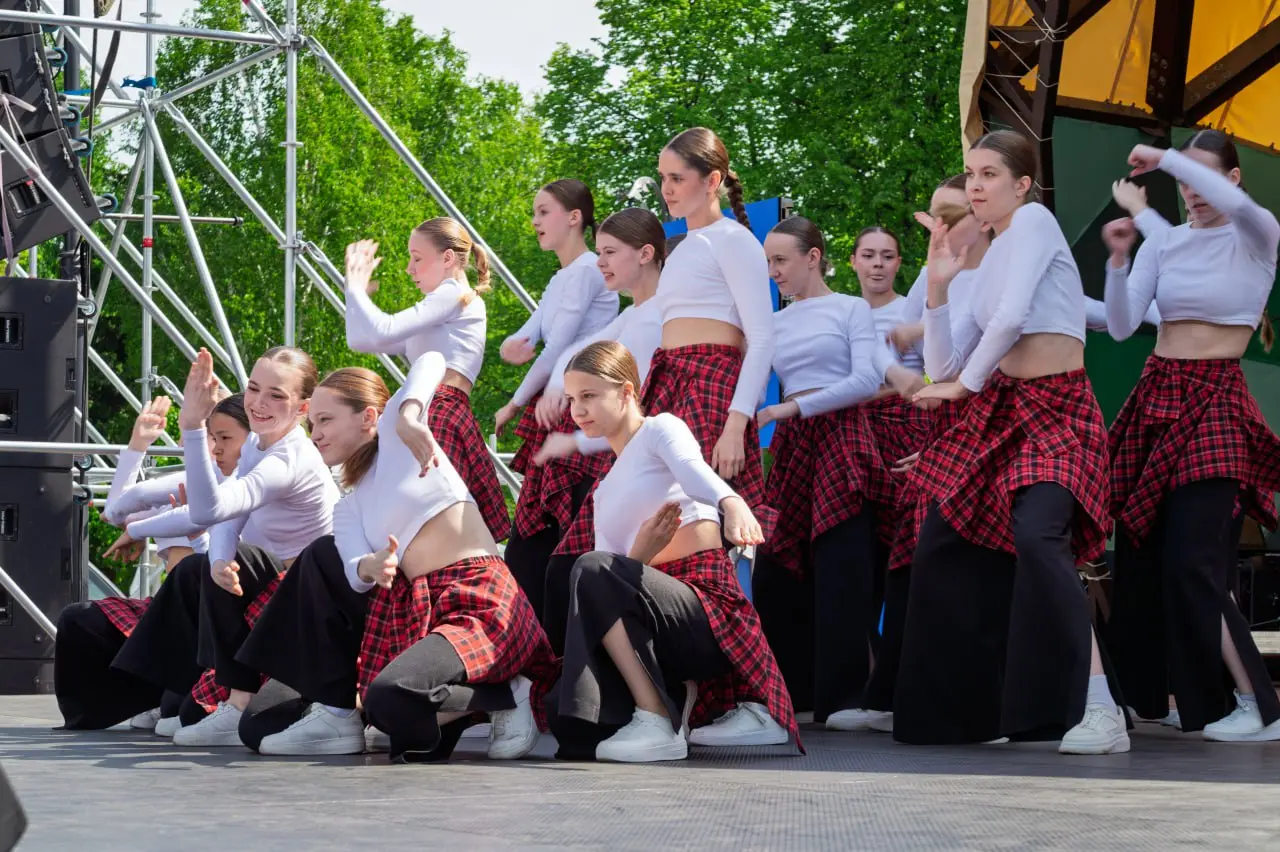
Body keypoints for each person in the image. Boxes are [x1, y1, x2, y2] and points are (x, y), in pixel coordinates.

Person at [896, 129, 1125, 755]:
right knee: (945, 536)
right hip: (1003, 410)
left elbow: (1015, 318)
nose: (975, 185)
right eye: (970, 173)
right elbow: (943, 363)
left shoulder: (1036, 224)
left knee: (1039, 537)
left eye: (990, 173)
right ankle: (969, 713)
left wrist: (962, 386)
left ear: (1022, 184)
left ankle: (1100, 709)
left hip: (1059, 407)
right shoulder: (988, 260)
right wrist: (939, 285)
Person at [236, 357, 556, 761]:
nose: (315, 434)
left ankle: (511, 691)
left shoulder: (396, 437)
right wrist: (367, 567)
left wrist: (408, 415)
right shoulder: (349, 506)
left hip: (477, 598)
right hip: (417, 608)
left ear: (368, 417)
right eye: (312, 424)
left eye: (326, 420)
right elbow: (354, 572)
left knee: (388, 701)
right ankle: (467, 703)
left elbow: (434, 359)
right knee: (372, 710)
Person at [1103, 130, 1280, 742]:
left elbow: (1227, 206)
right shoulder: (1167, 242)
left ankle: (1260, 704)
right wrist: (1121, 260)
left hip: (1215, 400)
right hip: (1158, 394)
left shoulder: (1256, 233)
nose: (1191, 191)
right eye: (1182, 181)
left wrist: (1166, 161)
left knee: (1195, 562)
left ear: (1231, 180)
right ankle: (1186, 701)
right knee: (1146, 550)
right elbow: (1124, 326)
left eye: (1201, 177)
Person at [547, 341, 798, 762]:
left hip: (706, 611)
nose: (577, 410)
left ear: (626, 392)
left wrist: (730, 502)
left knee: (592, 567)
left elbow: (693, 469)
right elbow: (608, 591)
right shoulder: (603, 492)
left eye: (589, 396)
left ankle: (657, 716)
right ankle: (669, 702)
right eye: (572, 399)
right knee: (570, 721)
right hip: (654, 624)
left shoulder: (661, 428)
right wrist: (642, 550)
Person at [111, 346, 340, 747]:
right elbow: (223, 518)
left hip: (302, 606)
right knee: (198, 569)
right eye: (254, 389)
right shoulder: (258, 444)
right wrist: (218, 559)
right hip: (267, 592)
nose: (259, 403)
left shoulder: (290, 459)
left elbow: (208, 508)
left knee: (215, 564)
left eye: (276, 395)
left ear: (302, 408)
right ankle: (174, 689)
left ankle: (237, 700)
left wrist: (192, 427)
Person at [829, 177, 993, 732]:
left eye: (957, 213)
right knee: (908, 560)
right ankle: (891, 695)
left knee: (988, 558)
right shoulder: (938, 274)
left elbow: (969, 347)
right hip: (942, 421)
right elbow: (928, 352)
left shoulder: (1007, 267)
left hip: (978, 419)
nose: (943, 227)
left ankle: (1074, 698)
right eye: (938, 217)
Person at [747, 216, 910, 723]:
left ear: (812, 257)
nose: (772, 270)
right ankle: (794, 695)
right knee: (778, 568)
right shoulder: (769, 323)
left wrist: (790, 409)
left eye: (780, 260)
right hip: (795, 447)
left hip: (843, 436)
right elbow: (751, 392)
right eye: (767, 261)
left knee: (844, 565)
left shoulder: (850, 308)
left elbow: (865, 378)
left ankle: (848, 695)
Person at [54, 394, 250, 733]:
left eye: (222, 437)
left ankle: (168, 698)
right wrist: (137, 444)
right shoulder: (181, 487)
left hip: (207, 616)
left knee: (188, 584)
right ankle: (96, 713)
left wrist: (158, 528)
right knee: (79, 620)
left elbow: (211, 562)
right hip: (166, 611)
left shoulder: (243, 487)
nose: (214, 447)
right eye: (210, 436)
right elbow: (115, 509)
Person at [527, 208, 668, 646]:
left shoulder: (668, 315)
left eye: (609, 252)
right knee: (558, 567)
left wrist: (573, 442)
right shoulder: (631, 317)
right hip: (622, 461)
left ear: (645, 254)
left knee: (571, 570)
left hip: (650, 467)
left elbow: (637, 409)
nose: (600, 261)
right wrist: (554, 392)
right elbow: (575, 351)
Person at [641, 126, 778, 546]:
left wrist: (737, 423)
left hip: (711, 387)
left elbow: (762, 337)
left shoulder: (735, 240)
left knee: (701, 528)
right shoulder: (680, 246)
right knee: (661, 520)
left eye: (677, 178)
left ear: (713, 181)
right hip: (667, 386)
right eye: (663, 178)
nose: (666, 189)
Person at [342, 218, 509, 541]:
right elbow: (361, 340)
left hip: (439, 412)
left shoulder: (454, 292)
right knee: (434, 521)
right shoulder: (447, 306)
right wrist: (355, 294)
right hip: (432, 410)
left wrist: (355, 288)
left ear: (447, 258)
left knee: (432, 520)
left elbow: (381, 329)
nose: (409, 268)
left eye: (417, 258)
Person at [497, 179, 619, 616]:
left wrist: (514, 403)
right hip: (555, 409)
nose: (534, 221)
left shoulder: (588, 270)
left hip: (576, 411)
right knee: (537, 540)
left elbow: (559, 345)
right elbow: (531, 334)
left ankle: (560, 651)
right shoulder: (561, 277)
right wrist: (511, 346)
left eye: (543, 211)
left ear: (574, 218)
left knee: (562, 533)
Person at [850, 226, 932, 550]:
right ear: (853, 261)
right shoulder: (841, 313)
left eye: (887, 256)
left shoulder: (910, 312)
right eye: (868, 256)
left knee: (907, 536)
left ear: (898, 263)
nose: (878, 264)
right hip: (853, 436)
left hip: (907, 428)